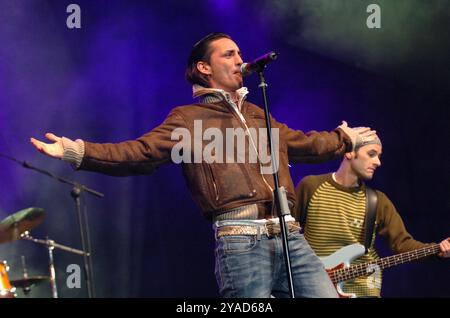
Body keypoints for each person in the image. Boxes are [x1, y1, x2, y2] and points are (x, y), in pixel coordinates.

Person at [30, 32, 376, 298]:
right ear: (204, 68)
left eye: (240, 53)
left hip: (290, 238)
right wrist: (78, 151)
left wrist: (343, 138)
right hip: (242, 243)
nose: (240, 59)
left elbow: (304, 144)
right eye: (229, 54)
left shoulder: (258, 115)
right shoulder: (188, 119)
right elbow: (141, 152)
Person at [294, 134, 450, 297]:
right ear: (349, 153)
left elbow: (403, 244)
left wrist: (437, 249)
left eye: (379, 156)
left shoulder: (378, 201)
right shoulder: (311, 186)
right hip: (314, 288)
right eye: (371, 154)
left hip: (363, 290)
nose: (378, 162)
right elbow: (286, 236)